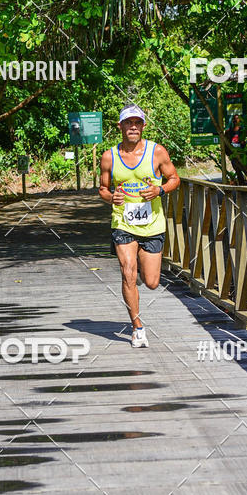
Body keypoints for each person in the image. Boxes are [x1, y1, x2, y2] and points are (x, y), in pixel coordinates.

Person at [99, 104, 180, 347]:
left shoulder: (157, 152)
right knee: (128, 272)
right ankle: (138, 327)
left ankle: (143, 276)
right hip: (123, 223)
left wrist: (160, 189)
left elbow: (174, 178)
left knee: (152, 281)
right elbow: (103, 188)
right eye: (128, 123)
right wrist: (110, 197)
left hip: (152, 225)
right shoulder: (109, 156)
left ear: (143, 126)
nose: (133, 127)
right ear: (120, 126)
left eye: (137, 123)